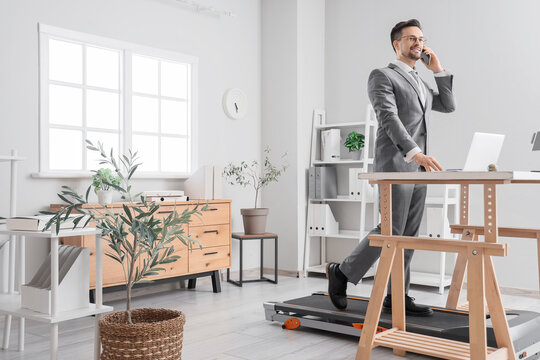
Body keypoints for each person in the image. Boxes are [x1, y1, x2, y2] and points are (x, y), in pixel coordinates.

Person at [326, 19, 456, 316]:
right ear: (396, 44)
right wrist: (415, 152)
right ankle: (342, 273)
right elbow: (388, 117)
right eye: (411, 38)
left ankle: (396, 296)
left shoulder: (421, 82)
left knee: (407, 234)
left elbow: (448, 106)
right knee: (391, 230)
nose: (418, 43)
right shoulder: (382, 75)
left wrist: (437, 69)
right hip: (397, 164)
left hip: (419, 169)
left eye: (421, 38)